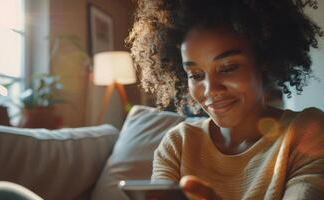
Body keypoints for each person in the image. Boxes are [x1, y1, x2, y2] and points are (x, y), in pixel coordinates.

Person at [126, 0, 324, 199]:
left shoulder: (308, 131)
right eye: (195, 75)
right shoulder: (178, 145)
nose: (211, 90)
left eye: (228, 68)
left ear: (263, 59)